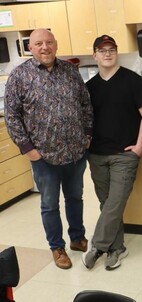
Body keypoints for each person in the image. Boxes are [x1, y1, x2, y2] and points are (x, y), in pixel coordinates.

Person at [4, 28, 92, 269]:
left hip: (75, 152)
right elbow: (12, 116)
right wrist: (28, 148)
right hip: (44, 157)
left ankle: (77, 237)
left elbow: (86, 105)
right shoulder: (19, 76)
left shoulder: (70, 72)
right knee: (50, 204)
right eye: (39, 43)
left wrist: (87, 135)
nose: (45, 47)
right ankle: (57, 247)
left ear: (56, 45)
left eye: (49, 42)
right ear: (29, 48)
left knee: (75, 198)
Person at [81, 35, 142, 271]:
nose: (107, 54)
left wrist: (139, 147)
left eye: (111, 49)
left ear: (117, 53)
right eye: (102, 50)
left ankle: (97, 247)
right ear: (95, 55)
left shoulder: (132, 80)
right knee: (108, 203)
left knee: (115, 201)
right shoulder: (88, 88)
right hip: (97, 154)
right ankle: (116, 248)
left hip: (125, 154)